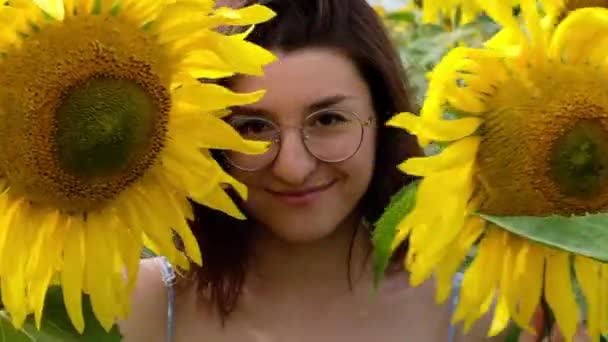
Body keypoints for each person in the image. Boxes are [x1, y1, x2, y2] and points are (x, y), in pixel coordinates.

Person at [118, 0, 558, 341]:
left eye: (328, 120)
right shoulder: (134, 308)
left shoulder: (483, 317)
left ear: (384, 120)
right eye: (252, 127)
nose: (293, 166)